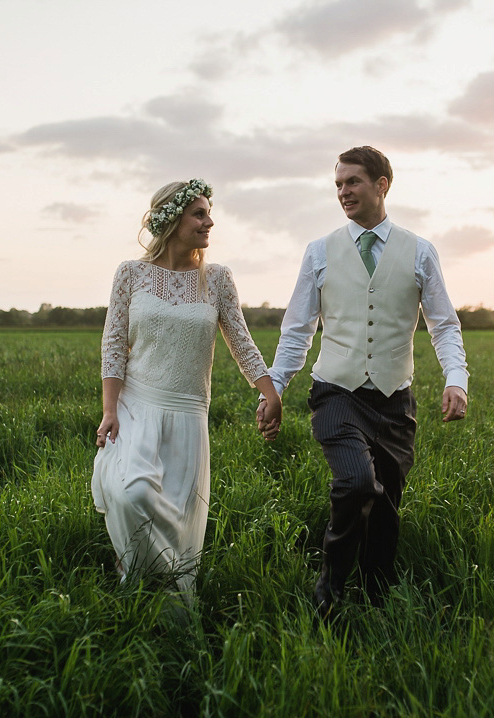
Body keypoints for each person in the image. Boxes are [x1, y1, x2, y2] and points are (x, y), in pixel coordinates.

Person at [257, 146, 468, 614]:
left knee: (387, 504)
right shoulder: (319, 252)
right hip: (336, 390)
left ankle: (377, 597)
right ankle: (329, 590)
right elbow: (297, 328)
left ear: (381, 184)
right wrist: (275, 388)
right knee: (355, 483)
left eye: (352, 182)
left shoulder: (420, 252)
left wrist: (456, 378)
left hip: (395, 400)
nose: (343, 192)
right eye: (338, 184)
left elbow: (444, 324)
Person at [92, 178, 282, 594]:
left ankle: (164, 592)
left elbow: (241, 342)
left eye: (208, 213)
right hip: (135, 405)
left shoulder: (216, 279)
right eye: (199, 213)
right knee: (134, 493)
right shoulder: (131, 274)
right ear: (172, 219)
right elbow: (113, 344)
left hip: (188, 413)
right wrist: (109, 410)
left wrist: (270, 393)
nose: (209, 222)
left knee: (178, 516)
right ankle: (133, 570)